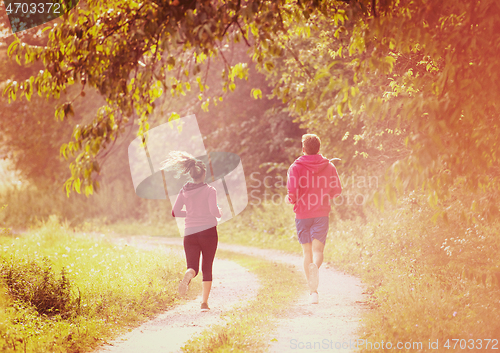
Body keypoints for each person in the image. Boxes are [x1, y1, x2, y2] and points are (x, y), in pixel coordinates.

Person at [161, 151, 222, 312]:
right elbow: (213, 210)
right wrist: (219, 213)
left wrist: (191, 213)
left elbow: (175, 212)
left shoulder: (184, 190)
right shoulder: (210, 190)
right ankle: (204, 303)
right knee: (207, 267)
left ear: (191, 174)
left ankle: (188, 274)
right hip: (208, 232)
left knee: (193, 266)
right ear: (204, 174)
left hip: (190, 232)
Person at [286, 134, 342, 304]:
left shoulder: (295, 167)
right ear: (319, 148)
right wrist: (326, 194)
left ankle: (313, 292)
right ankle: (315, 269)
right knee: (318, 252)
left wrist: (292, 200)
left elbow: (292, 192)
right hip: (321, 214)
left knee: (307, 252)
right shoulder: (329, 166)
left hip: (303, 215)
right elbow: (336, 190)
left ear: (303, 149)